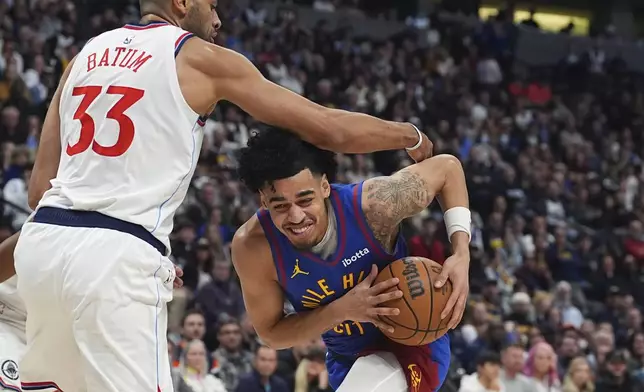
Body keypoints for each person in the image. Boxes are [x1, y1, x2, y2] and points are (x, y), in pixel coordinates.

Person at [0, 1, 434, 391]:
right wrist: (409, 135)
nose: (218, 17)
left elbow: (42, 190)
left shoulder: (83, 56)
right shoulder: (198, 58)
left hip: (41, 250)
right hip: (114, 259)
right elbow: (327, 128)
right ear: (182, 2)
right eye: (211, 4)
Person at [232, 128, 471, 392]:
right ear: (263, 201)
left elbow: (448, 169)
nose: (297, 216)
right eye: (280, 206)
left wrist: (461, 253)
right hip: (346, 361)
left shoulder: (374, 206)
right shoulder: (253, 247)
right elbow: (271, 334)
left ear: (324, 186)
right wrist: (342, 310)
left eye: (305, 199)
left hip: (413, 344)